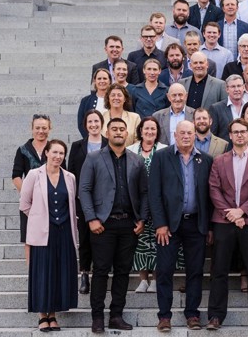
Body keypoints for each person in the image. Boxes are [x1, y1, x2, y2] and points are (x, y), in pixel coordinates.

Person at [78, 118, 148, 334]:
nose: (118, 132)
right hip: (103, 225)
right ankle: (97, 317)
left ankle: (116, 315)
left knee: (123, 271)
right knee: (100, 271)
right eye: (114, 129)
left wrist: (142, 219)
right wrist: (91, 219)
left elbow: (145, 193)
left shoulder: (136, 160)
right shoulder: (93, 158)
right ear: (107, 132)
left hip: (128, 225)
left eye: (121, 129)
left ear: (127, 133)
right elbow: (84, 190)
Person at [206, 118, 248, 330]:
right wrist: (231, 214)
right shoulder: (219, 161)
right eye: (236, 132)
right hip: (223, 221)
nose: (240, 135)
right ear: (230, 135)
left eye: (244, 131)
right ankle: (215, 316)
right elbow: (214, 189)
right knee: (219, 271)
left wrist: (242, 211)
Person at [149, 119, 213, 331]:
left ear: (196, 135)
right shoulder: (161, 157)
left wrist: (209, 226)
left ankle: (192, 314)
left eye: (190, 133)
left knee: (195, 271)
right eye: (182, 133)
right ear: (175, 135)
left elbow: (210, 195)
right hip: (168, 226)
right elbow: (154, 193)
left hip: (196, 224)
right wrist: (160, 223)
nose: (186, 136)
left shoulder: (206, 159)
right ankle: (164, 316)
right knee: (165, 270)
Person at [20, 138, 77, 333]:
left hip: (64, 233)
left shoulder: (70, 177)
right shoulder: (34, 175)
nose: (58, 156)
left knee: (58, 273)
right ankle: (42, 315)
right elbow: (24, 204)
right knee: (43, 273)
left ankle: (53, 314)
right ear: (46, 153)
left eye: (61, 153)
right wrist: (39, 217)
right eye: (55, 152)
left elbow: (71, 204)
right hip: (42, 233)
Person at [68, 110, 106, 295]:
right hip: (83, 198)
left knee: (103, 238)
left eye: (96, 121)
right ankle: (84, 273)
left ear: (102, 123)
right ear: (85, 125)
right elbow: (70, 173)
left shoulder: (108, 143)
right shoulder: (77, 146)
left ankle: (101, 272)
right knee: (84, 237)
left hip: (106, 199)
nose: (93, 125)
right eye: (90, 122)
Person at [128, 117, 166, 294]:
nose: (150, 132)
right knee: (141, 243)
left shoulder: (165, 150)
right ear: (140, 130)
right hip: (138, 204)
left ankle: (157, 279)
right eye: (146, 129)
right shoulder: (131, 150)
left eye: (153, 129)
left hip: (159, 205)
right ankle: (143, 279)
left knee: (159, 242)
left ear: (157, 131)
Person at [13, 115, 51, 259]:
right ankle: (32, 273)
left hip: (51, 200)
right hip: (30, 202)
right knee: (29, 238)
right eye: (37, 128)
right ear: (32, 129)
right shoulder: (23, 150)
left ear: (50, 129)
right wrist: (28, 194)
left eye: (44, 128)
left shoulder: (54, 148)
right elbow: (16, 176)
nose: (41, 131)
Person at [77, 69, 111, 138]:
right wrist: (90, 138)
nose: (102, 81)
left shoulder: (114, 99)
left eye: (105, 78)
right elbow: (81, 122)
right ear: (94, 81)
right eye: (99, 78)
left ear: (109, 81)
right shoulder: (86, 101)